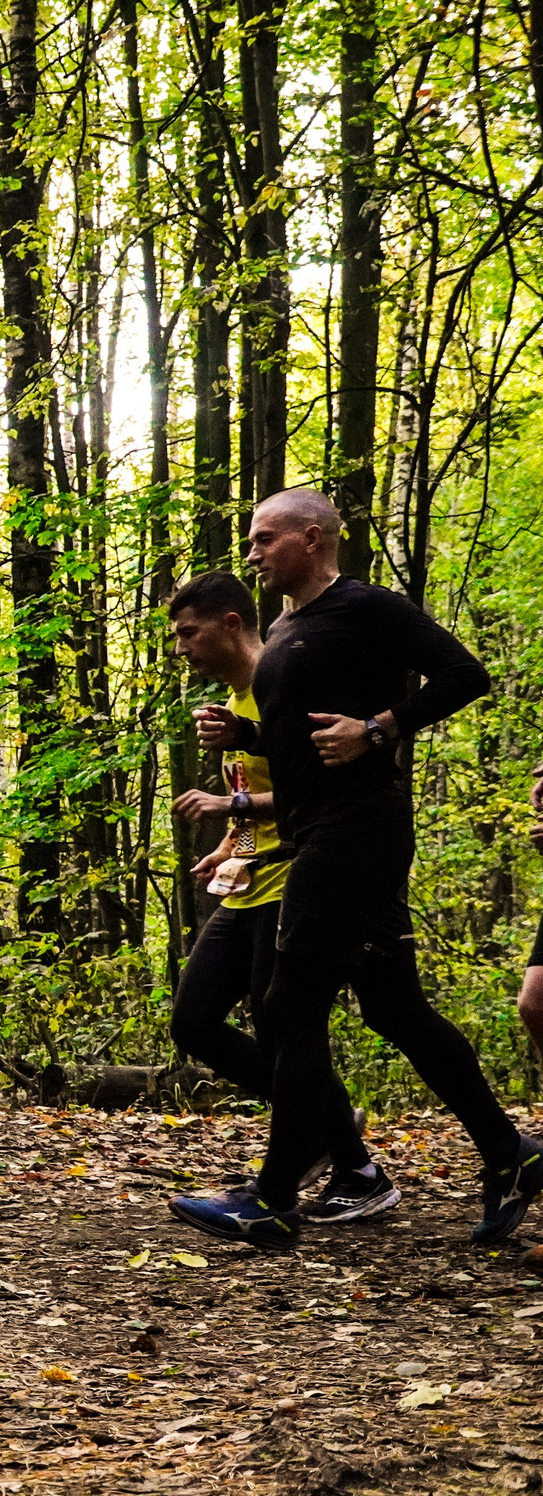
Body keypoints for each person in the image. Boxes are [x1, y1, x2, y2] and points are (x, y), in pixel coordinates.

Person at [171, 490, 539, 1251]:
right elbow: (300, 740)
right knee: (394, 1008)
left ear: (314, 538)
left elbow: (464, 674)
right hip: (321, 832)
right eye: (250, 541)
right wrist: (243, 731)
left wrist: (381, 726)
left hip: (355, 830)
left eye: (265, 539)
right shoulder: (285, 628)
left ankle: (272, 1199)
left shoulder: (366, 606)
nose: (252, 553)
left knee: (289, 1006)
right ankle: (511, 1155)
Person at [164, 571, 389, 1221]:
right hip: (248, 881)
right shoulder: (238, 696)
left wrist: (228, 802)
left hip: (295, 882)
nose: (181, 647)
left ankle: (342, 1167)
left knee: (283, 1029)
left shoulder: (281, 683)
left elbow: (318, 784)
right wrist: (229, 840)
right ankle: (325, 1126)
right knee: (195, 1019)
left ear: (231, 622)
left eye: (188, 632)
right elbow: (263, 801)